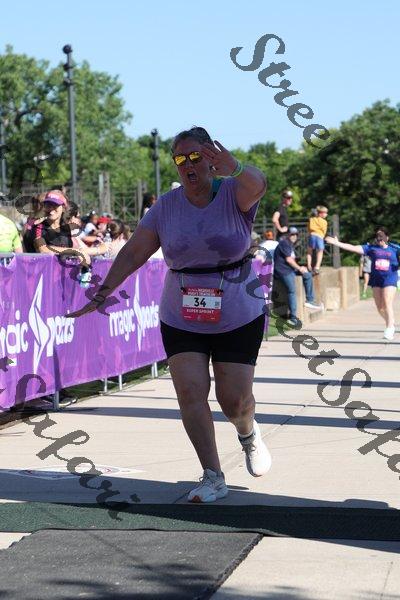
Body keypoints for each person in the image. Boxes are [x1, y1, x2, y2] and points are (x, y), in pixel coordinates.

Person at [69, 125, 271, 503]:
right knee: (190, 391)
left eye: (196, 157)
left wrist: (236, 167)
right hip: (182, 312)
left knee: (234, 400)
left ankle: (247, 431)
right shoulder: (166, 206)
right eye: (181, 159)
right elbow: (133, 252)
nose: (188, 165)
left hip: (238, 311)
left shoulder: (233, 191)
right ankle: (212, 475)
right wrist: (102, 293)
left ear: (211, 158)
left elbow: (259, 184)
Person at [326, 227, 399, 340]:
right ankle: (391, 322)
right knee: (380, 307)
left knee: (386, 302)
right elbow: (353, 248)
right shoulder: (371, 248)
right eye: (377, 236)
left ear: (387, 237)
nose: (379, 239)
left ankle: (389, 328)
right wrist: (337, 243)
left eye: (382, 236)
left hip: (390, 279)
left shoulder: (395, 248)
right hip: (376, 279)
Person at [273, 226, 322, 326]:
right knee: (292, 291)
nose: (294, 236)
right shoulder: (284, 243)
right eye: (292, 234)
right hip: (282, 271)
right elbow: (289, 260)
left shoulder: (290, 245)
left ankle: (309, 300)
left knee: (307, 275)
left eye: (296, 234)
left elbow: (292, 260)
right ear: (288, 235)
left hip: (290, 269)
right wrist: (299, 268)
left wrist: (301, 268)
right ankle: (293, 318)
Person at [306, 205, 328, 274]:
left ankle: (309, 265)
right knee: (320, 251)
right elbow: (324, 231)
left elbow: (308, 228)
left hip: (312, 235)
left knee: (309, 251)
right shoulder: (324, 222)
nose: (326, 214)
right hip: (320, 237)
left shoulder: (312, 219)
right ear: (320, 213)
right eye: (325, 213)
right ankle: (317, 267)